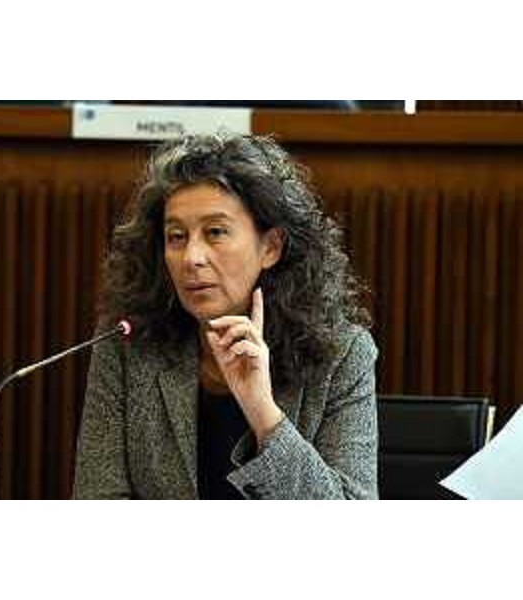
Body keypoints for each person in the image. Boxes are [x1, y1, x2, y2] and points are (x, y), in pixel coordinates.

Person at [73, 133, 378, 499]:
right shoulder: (128, 344)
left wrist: (263, 412)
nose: (192, 258)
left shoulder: (342, 354)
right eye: (176, 236)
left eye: (215, 232)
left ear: (271, 247)